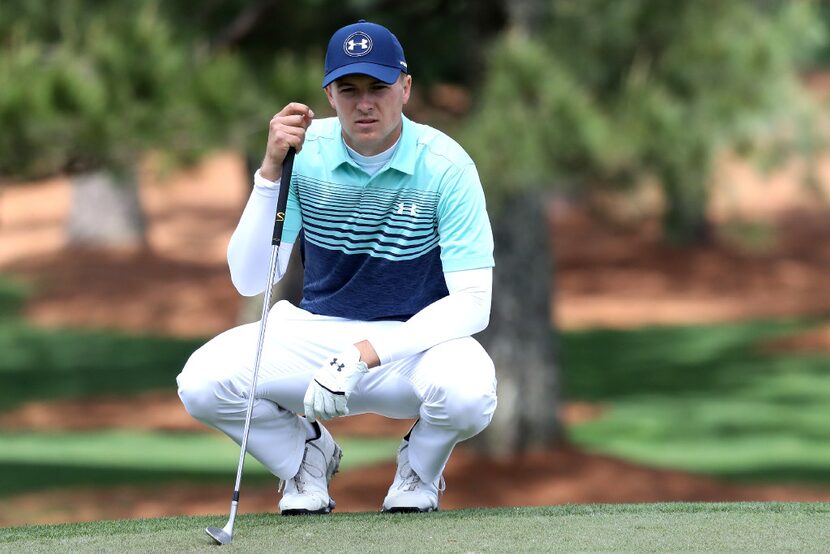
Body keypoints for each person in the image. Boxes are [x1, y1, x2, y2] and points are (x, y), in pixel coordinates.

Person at [176, 20, 496, 514]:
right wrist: (268, 172)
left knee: (469, 393)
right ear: (329, 94)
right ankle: (305, 456)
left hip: (413, 349)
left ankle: (419, 469)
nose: (364, 103)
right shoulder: (304, 155)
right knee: (202, 383)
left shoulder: (446, 165)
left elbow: (474, 304)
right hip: (318, 337)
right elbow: (248, 278)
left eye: (378, 88)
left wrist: (366, 351)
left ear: (405, 88)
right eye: (349, 89)